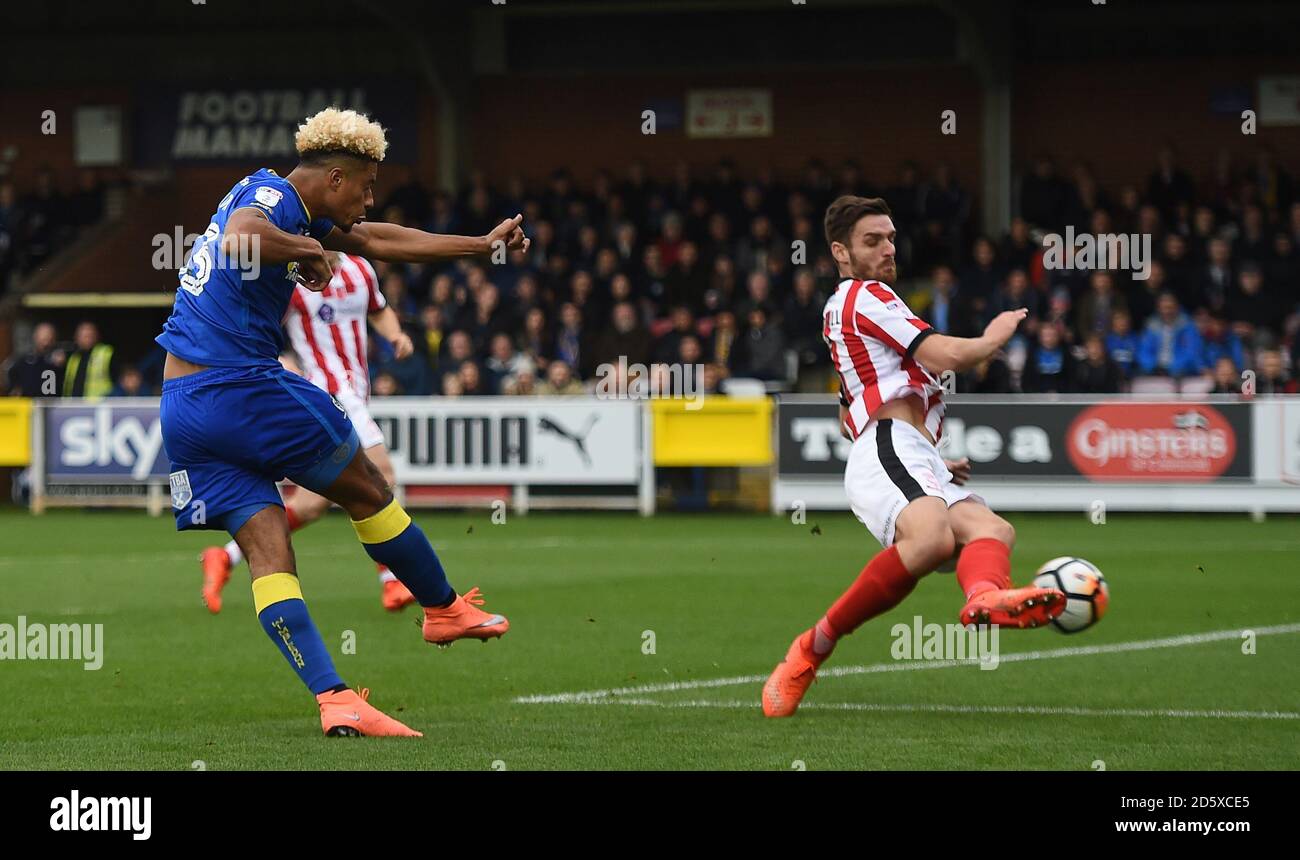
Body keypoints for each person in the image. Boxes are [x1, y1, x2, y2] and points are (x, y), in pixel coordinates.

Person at [155, 108, 527, 737]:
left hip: (184, 409)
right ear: (334, 177)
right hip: (240, 388)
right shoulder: (269, 194)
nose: (370, 197)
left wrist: (478, 245)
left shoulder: (294, 208)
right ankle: (441, 608)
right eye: (367, 185)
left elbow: (382, 240)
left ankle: (334, 699)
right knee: (369, 487)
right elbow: (239, 238)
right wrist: (307, 251)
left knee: (270, 549)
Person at [761, 196, 1064, 719]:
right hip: (888, 444)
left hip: (910, 451)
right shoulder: (862, 295)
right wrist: (993, 337)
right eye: (872, 241)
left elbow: (847, 409)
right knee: (931, 539)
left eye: (891, 238)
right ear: (841, 252)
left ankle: (984, 599)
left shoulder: (868, 310)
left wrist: (931, 464)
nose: (887, 249)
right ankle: (812, 648)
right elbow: (947, 355)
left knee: (993, 531)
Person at [198, 252, 419, 614]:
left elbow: (378, 308)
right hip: (327, 394)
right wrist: (282, 361)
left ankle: (225, 556)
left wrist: (396, 336)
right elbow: (261, 327)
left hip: (354, 393)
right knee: (383, 477)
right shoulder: (297, 277)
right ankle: (393, 580)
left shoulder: (360, 269)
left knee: (311, 504)